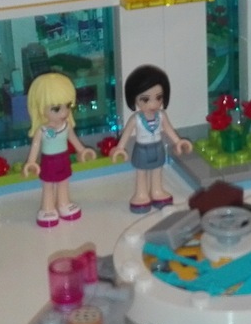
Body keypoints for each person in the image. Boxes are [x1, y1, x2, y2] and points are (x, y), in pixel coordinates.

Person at [114, 64, 193, 213]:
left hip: (157, 147)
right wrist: (120, 148)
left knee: (157, 170)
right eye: (145, 99)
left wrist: (178, 141)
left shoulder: (161, 116)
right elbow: (126, 134)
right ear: (134, 99)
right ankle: (141, 194)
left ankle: (157, 191)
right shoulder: (136, 119)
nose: (153, 104)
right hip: (142, 149)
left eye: (158, 98)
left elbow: (168, 129)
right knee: (141, 172)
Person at [22, 72, 97, 228]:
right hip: (49, 161)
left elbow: (74, 139)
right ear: (40, 108)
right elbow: (36, 145)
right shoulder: (42, 130)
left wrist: (82, 150)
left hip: (63, 159)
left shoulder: (66, 126)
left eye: (68, 106)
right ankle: (47, 208)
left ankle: (64, 203)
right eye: (56, 109)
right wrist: (31, 162)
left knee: (63, 182)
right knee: (48, 185)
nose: (64, 113)